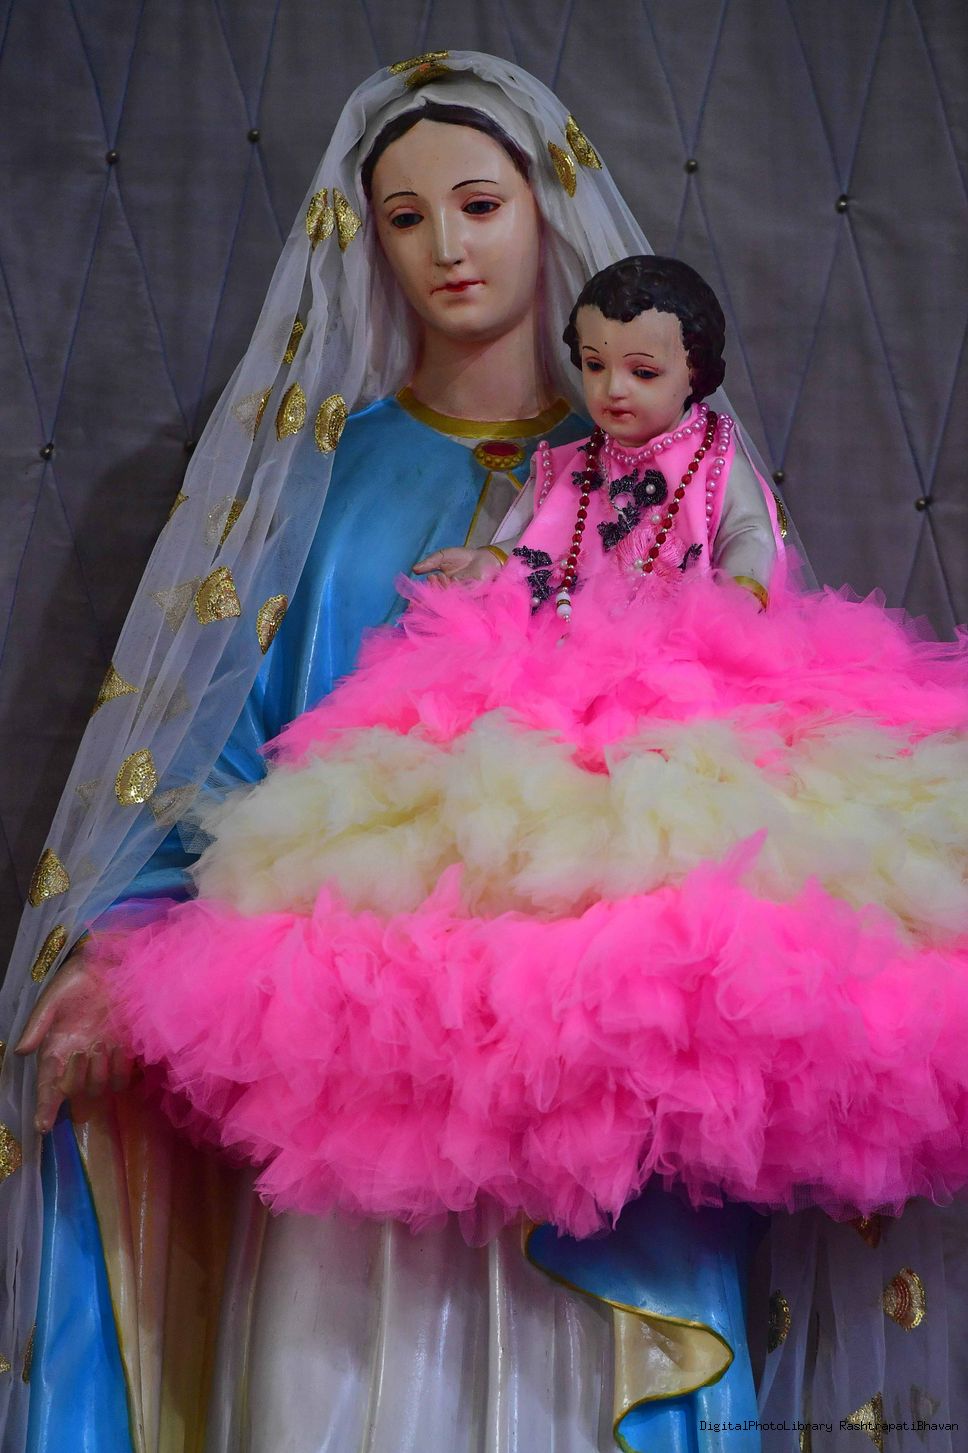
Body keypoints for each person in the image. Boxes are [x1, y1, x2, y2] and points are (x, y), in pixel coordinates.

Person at [0, 54, 774, 1453]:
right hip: (355, 1054)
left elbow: (754, 710)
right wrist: (128, 947)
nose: (446, 248)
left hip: (582, 1040)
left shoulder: (674, 479)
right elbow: (219, 749)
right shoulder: (324, 477)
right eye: (404, 218)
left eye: (479, 203)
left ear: (546, 212)